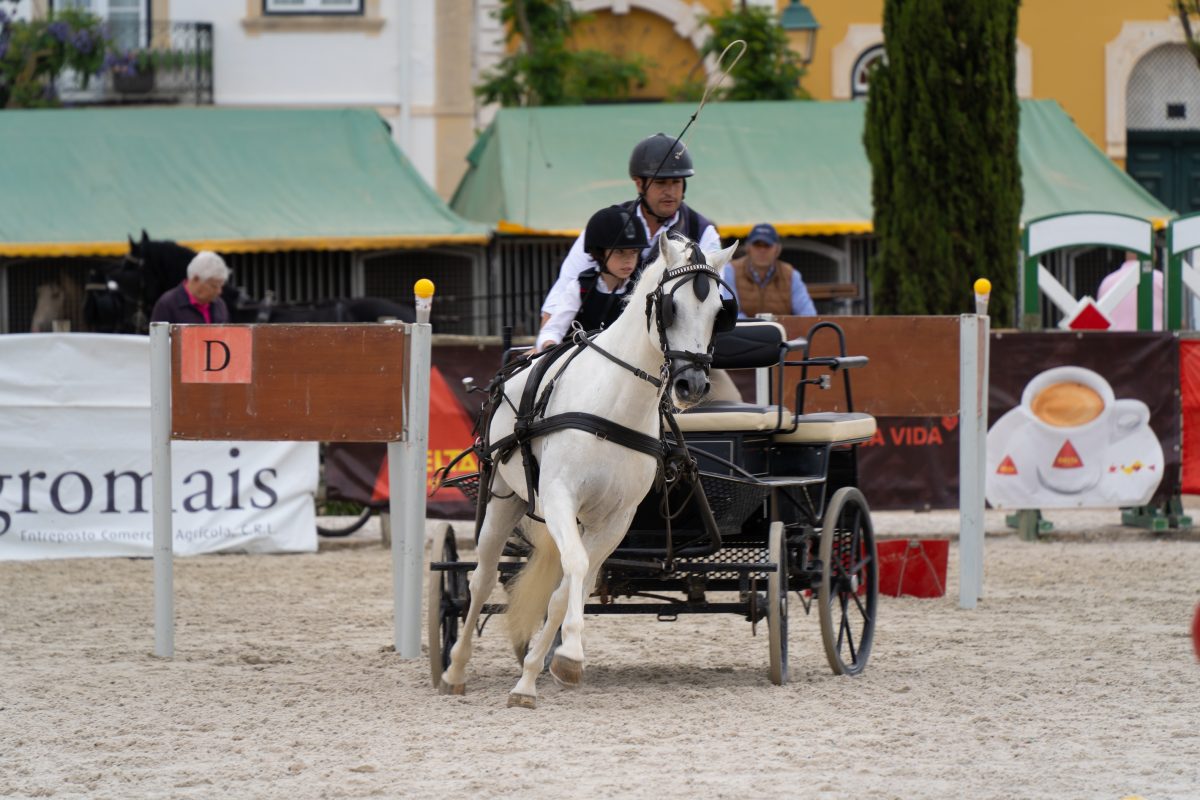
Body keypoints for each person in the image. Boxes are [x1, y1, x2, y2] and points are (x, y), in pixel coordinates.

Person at [540, 133, 722, 325]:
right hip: (597, 339)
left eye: (676, 182)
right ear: (639, 184)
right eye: (660, 183)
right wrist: (545, 346)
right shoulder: (605, 224)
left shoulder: (703, 233)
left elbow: (713, 301)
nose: (670, 192)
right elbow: (563, 291)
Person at [536, 206, 648, 351]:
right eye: (619, 252)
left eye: (634, 252)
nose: (628, 260)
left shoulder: (641, 290)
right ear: (600, 253)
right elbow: (552, 330)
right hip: (581, 364)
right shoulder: (580, 287)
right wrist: (549, 344)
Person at [720, 223, 816, 318]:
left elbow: (808, 315)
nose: (762, 250)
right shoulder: (730, 271)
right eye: (757, 245)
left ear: (777, 249)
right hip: (741, 332)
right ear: (748, 248)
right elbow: (730, 313)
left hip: (782, 332)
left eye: (767, 245)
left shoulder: (791, 275)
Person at [150, 250, 231, 324]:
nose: (219, 291)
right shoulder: (167, 305)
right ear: (196, 279)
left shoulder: (219, 305)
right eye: (214, 286)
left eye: (221, 286)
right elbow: (157, 338)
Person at [1097, 253, 1163, 331]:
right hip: (1154, 342)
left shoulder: (1106, 282)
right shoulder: (1161, 279)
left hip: (1114, 341)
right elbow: (1176, 322)